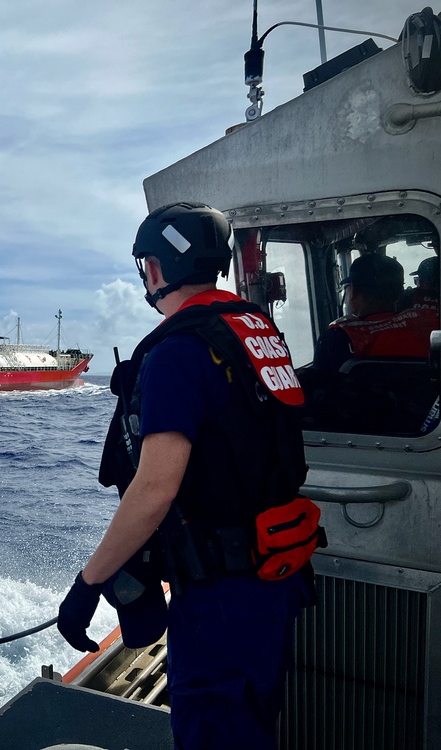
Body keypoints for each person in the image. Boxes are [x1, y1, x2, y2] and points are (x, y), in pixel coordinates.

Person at [57, 203, 316, 750]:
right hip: (275, 579)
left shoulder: (179, 351)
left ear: (154, 269)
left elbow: (154, 489)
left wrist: (88, 585)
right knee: (252, 726)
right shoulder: (257, 331)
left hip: (222, 596)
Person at [312, 252, 436, 373]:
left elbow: (321, 389)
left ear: (353, 291)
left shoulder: (336, 338)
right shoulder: (430, 323)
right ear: (400, 291)